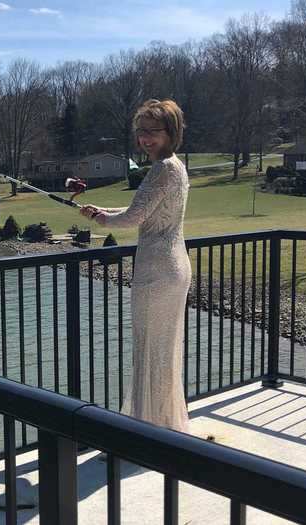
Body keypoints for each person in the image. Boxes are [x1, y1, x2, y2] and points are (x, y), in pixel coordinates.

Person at [81, 99, 191, 433]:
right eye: (141, 131)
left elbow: (134, 217)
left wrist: (102, 219)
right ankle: (160, 424)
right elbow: (144, 207)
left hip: (158, 270)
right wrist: (104, 209)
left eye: (152, 132)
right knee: (160, 351)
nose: (145, 138)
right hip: (172, 267)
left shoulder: (163, 169)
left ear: (169, 132)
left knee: (151, 350)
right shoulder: (174, 166)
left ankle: (149, 430)